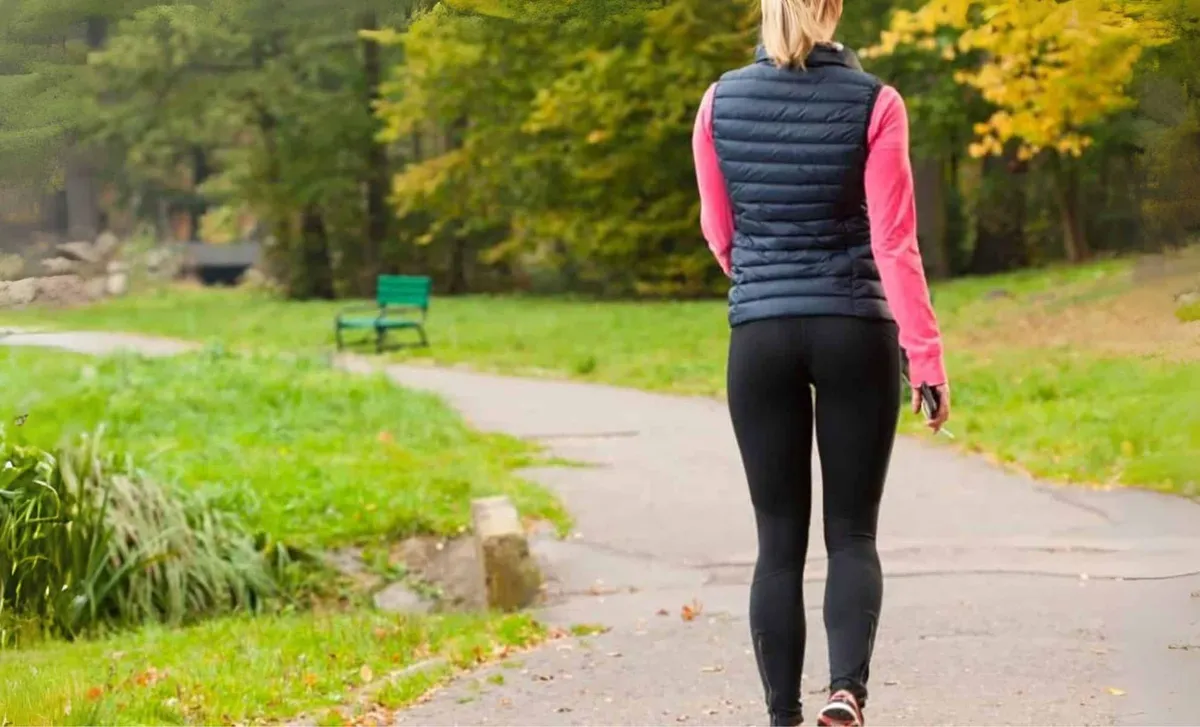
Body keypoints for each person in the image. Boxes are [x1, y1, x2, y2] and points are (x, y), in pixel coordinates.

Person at [691, 1, 950, 725]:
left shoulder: (718, 101)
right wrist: (924, 357)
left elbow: (720, 231)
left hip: (760, 336)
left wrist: (765, 283)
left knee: (777, 540)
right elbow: (894, 242)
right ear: (833, 9)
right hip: (853, 330)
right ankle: (846, 692)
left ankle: (782, 715)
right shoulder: (876, 103)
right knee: (852, 533)